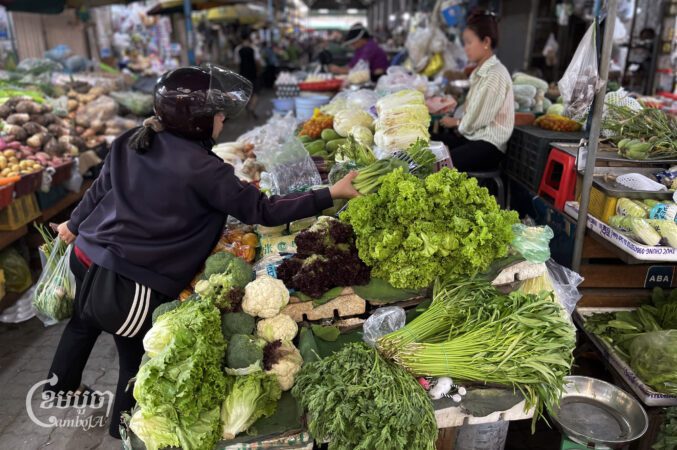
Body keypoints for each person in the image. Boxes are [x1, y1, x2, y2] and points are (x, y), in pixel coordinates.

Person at [44, 65, 360, 439]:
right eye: (217, 113)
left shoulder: (132, 138)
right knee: (136, 359)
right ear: (197, 122)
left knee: (83, 323)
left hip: (88, 256)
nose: (223, 118)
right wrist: (330, 193)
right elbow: (263, 210)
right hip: (131, 280)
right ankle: (123, 431)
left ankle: (59, 391)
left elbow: (99, 188)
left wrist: (74, 225)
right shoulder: (205, 169)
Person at [436, 10, 514, 172]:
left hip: (488, 147)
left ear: (486, 42)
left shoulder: (494, 74)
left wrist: (456, 122)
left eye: (469, 43)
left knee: (437, 165)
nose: (465, 49)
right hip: (474, 138)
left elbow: (477, 119)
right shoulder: (479, 72)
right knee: (428, 142)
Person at [234, 35, 262, 118]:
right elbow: (258, 61)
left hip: (243, 74)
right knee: (256, 92)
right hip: (253, 73)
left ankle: (248, 108)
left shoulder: (237, 49)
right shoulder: (254, 48)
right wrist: (258, 71)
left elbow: (237, 62)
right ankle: (252, 108)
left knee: (245, 92)